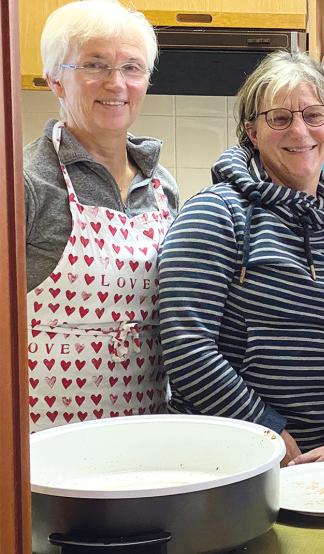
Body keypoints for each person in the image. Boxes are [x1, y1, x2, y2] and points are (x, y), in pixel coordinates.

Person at [158, 50, 324, 466]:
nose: (300, 130)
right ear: (252, 131)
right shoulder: (215, 214)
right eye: (280, 118)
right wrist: (268, 433)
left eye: (313, 115)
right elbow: (186, 346)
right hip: (224, 459)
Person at [23, 0, 178, 431]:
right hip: (47, 445)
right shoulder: (25, 182)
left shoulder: (162, 186)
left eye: (132, 67)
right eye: (94, 65)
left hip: (145, 436)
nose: (116, 83)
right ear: (55, 79)